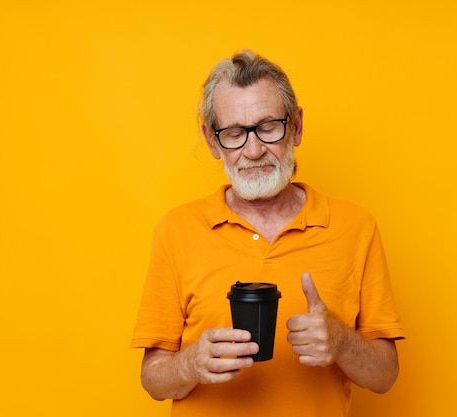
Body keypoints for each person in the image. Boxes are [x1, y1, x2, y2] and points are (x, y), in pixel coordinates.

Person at [131, 49, 405, 417]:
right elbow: (153, 380)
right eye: (234, 133)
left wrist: (342, 342)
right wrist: (190, 364)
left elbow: (385, 375)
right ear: (212, 142)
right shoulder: (176, 230)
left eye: (268, 127)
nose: (254, 149)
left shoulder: (356, 228)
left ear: (296, 127)